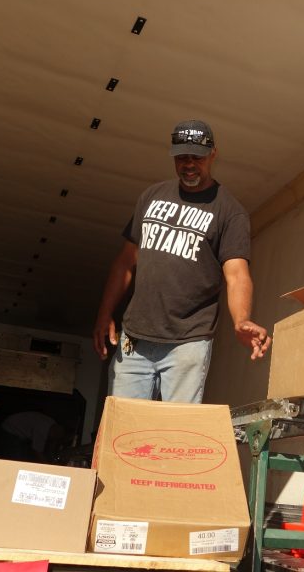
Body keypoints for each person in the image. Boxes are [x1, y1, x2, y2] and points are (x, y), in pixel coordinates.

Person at [93, 119, 271, 403]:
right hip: (135, 339)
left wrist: (242, 320)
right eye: (182, 157)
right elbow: (126, 263)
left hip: (188, 342)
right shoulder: (151, 196)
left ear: (213, 154)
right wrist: (105, 314)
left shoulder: (230, 212)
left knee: (175, 433)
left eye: (197, 157)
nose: (189, 164)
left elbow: (237, 275)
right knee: (123, 428)